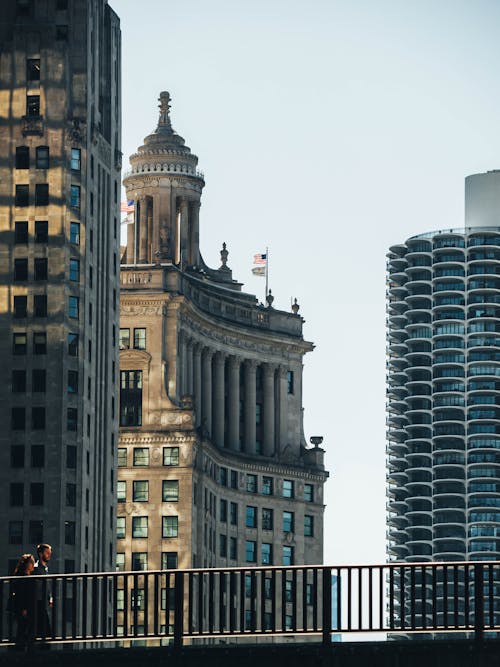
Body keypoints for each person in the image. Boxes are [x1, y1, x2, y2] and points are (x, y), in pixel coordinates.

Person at [10, 554, 36, 649]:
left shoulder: (23, 576)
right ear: (27, 564)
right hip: (24, 608)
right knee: (23, 628)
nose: (33, 565)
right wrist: (24, 608)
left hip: (25, 607)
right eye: (31, 563)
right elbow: (22, 594)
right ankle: (22, 648)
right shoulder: (23, 577)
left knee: (23, 628)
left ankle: (22, 647)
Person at [33, 543, 52, 643]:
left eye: (50, 553)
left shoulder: (45, 568)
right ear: (40, 554)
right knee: (44, 631)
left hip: (43, 602)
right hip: (37, 602)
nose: (49, 555)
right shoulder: (36, 568)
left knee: (42, 631)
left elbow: (46, 586)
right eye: (47, 553)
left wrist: (50, 597)